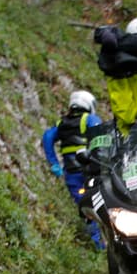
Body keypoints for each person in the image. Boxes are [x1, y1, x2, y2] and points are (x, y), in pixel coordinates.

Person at [40, 89, 104, 249]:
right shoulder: (90, 119)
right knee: (104, 203)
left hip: (72, 174)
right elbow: (103, 138)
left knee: (86, 209)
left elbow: (47, 138)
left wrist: (54, 163)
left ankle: (97, 244)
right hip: (93, 171)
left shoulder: (61, 124)